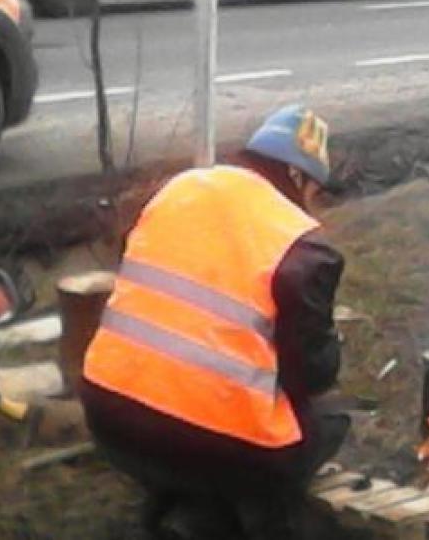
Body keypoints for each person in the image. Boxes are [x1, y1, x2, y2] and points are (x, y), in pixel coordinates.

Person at [79, 105, 349, 539]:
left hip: (109, 416)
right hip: (216, 449)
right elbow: (313, 374)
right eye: (316, 190)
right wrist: (331, 345)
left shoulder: (177, 190)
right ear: (297, 178)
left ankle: (175, 504)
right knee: (327, 420)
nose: (315, 204)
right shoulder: (300, 245)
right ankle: (259, 520)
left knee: (184, 420)